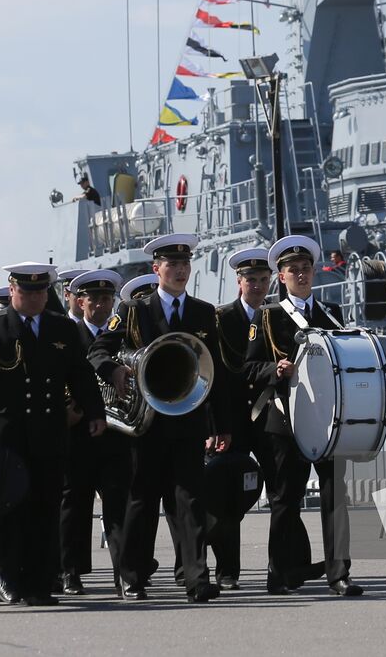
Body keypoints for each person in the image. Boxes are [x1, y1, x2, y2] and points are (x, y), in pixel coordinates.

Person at [88, 233, 232, 604]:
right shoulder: (133, 310)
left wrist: (220, 425)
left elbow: (213, 370)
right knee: (142, 500)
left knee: (191, 499)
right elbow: (98, 350)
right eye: (172, 265)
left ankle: (197, 578)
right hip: (147, 423)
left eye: (185, 264)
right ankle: (133, 576)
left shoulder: (203, 313)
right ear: (157, 269)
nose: (181, 270)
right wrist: (115, 371)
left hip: (188, 420)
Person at [0, 262, 106, 607]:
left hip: (48, 434)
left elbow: (80, 374)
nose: (35, 297)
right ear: (12, 290)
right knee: (8, 514)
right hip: (7, 436)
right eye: (28, 291)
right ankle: (7, 578)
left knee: (45, 509)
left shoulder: (60, 328)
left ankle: (40, 581)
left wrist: (95, 412)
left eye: (41, 291)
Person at [245, 236, 363, 597]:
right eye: (292, 270)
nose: (301, 274)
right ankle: (278, 571)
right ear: (281, 276)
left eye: (306, 269)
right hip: (286, 421)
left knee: (334, 498)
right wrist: (273, 370)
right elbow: (247, 367)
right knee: (285, 498)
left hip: (329, 419)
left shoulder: (331, 313)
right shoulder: (267, 317)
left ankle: (339, 573)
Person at [60, 269, 129, 596]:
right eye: (94, 299)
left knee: (118, 505)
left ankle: (125, 573)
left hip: (118, 435)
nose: (101, 305)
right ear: (80, 302)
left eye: (107, 299)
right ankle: (71, 571)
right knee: (76, 504)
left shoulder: (123, 335)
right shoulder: (67, 334)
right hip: (79, 433)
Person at [209, 248, 271, 590]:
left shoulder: (276, 316)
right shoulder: (220, 319)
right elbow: (214, 376)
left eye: (264, 280)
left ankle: (282, 567)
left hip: (268, 419)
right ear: (239, 281)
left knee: (279, 492)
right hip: (232, 420)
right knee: (226, 496)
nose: (258, 286)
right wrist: (217, 426)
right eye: (252, 280)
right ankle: (227, 569)